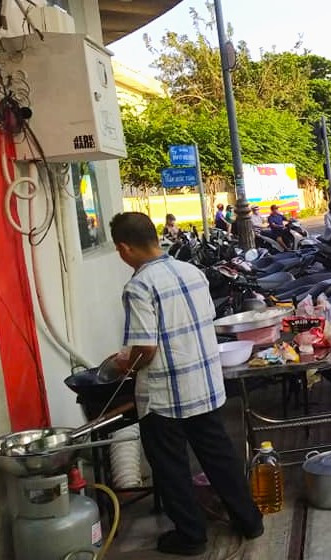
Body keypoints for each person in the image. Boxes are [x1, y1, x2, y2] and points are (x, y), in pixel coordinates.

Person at [108, 212, 263, 556]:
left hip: (165, 395)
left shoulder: (139, 286)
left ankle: (191, 537)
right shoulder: (192, 271)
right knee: (219, 456)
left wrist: (124, 364)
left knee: (171, 467)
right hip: (203, 382)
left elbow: (145, 349)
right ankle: (250, 520)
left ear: (124, 248)